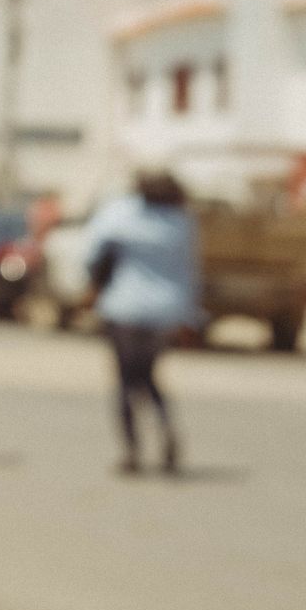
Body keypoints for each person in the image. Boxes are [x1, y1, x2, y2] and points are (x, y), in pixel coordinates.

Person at [83, 168, 200, 475]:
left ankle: (132, 451)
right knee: (148, 376)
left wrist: (92, 288)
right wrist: (191, 315)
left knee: (125, 381)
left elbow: (92, 252)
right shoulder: (181, 222)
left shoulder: (121, 215)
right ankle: (165, 429)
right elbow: (189, 270)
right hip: (166, 311)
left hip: (125, 308)